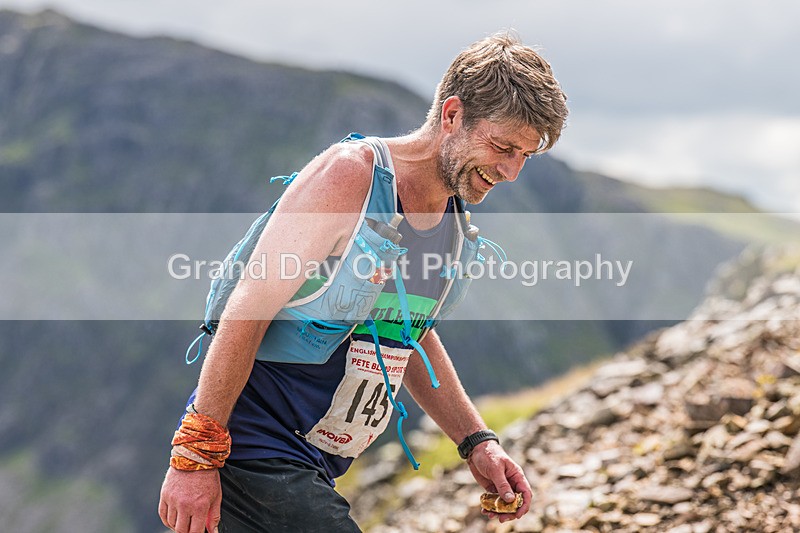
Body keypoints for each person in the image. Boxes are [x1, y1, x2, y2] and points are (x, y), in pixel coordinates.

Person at [159, 31, 568, 533]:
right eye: (502, 147)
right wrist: (195, 456)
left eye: (525, 155)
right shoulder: (349, 177)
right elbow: (250, 303)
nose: (511, 171)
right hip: (251, 450)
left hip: (313, 465)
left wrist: (477, 442)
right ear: (452, 115)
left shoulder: (452, 219)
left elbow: (406, 334)